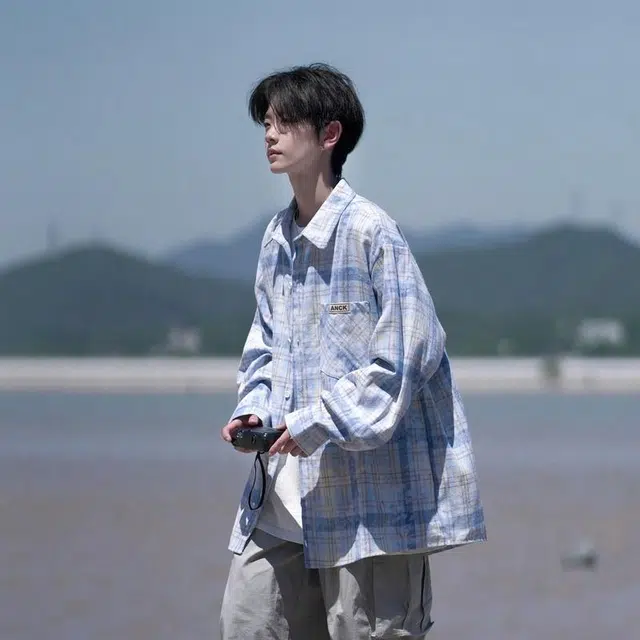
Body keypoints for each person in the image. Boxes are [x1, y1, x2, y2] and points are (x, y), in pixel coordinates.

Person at [219, 63, 486, 640]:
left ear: (330, 134)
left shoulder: (371, 232)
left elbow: (402, 363)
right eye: (265, 122)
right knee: (247, 623)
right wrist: (255, 411)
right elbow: (263, 347)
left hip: (369, 508)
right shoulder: (276, 239)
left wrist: (313, 421)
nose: (269, 133)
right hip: (280, 499)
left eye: (284, 121)